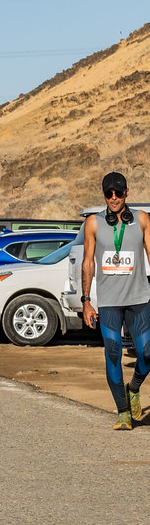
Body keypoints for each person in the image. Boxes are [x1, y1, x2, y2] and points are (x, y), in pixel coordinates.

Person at [81, 171, 150, 430]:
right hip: (109, 302)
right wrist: (86, 301)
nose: (113, 198)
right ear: (104, 195)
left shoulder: (142, 220)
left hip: (139, 298)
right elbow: (88, 262)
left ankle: (133, 388)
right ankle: (123, 412)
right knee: (112, 353)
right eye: (109, 194)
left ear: (126, 193)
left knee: (147, 352)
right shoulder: (93, 223)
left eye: (118, 193)